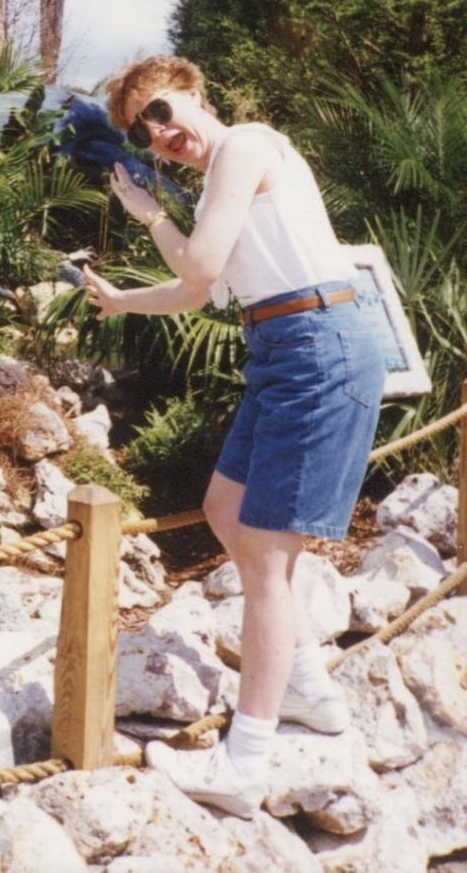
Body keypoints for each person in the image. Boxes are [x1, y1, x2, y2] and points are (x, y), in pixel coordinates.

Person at [82, 55, 385, 819]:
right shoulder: (221, 170)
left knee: (266, 557)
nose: (161, 134)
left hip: (317, 343)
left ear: (193, 91)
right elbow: (201, 288)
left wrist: (152, 219)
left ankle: (246, 760)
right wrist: (126, 285)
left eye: (161, 111)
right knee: (226, 509)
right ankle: (310, 693)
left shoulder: (245, 144)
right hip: (282, 345)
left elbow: (200, 267)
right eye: (143, 131)